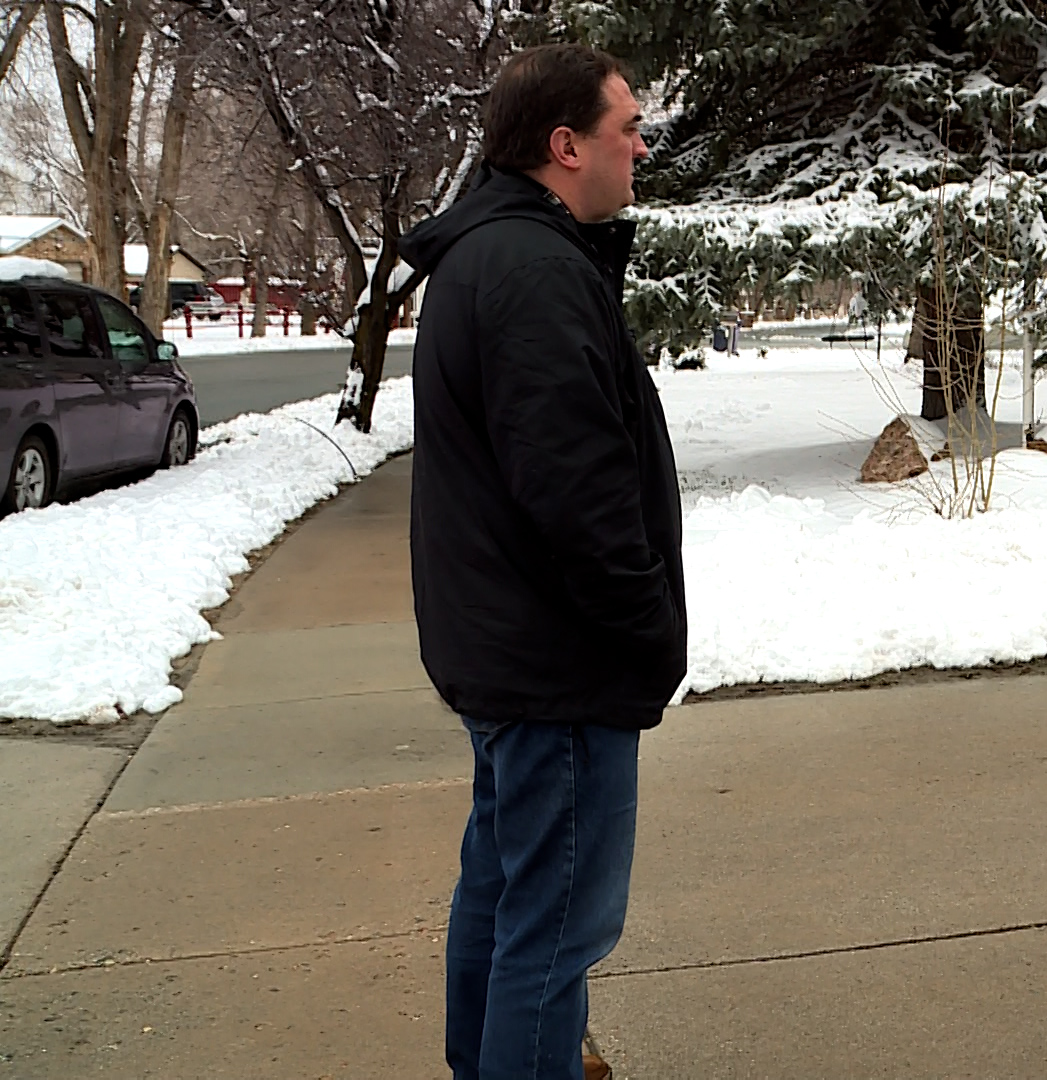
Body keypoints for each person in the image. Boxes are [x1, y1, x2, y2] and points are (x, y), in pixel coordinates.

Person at [399, 43, 686, 1080]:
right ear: (566, 145)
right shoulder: (530, 271)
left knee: (506, 896)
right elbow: (576, 491)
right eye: (627, 128)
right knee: (557, 930)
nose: (640, 148)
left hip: (516, 659)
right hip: (558, 666)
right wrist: (646, 634)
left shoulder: (498, 256)